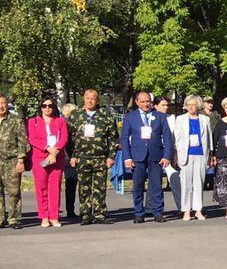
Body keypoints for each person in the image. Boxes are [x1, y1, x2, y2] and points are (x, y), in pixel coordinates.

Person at [119, 90, 175, 224]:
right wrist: (127, 158)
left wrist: (167, 156)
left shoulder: (160, 116)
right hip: (137, 156)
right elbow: (125, 138)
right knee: (138, 185)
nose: (146, 104)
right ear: (137, 102)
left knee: (156, 185)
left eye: (148, 101)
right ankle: (139, 212)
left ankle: (158, 212)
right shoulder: (130, 117)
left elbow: (167, 137)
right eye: (143, 102)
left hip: (156, 155)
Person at [67, 89, 117, 224]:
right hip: (82, 157)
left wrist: (111, 156)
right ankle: (85, 214)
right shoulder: (75, 115)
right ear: (83, 99)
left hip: (100, 157)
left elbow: (113, 137)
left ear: (97, 100)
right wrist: (72, 156)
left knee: (100, 187)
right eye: (87, 98)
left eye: (93, 98)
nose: (90, 101)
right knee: (84, 187)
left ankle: (99, 214)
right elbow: (70, 138)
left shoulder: (106, 115)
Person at [27, 96, 69, 227]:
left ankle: (54, 216)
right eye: (44, 106)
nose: (47, 108)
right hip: (40, 158)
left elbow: (64, 138)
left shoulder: (60, 121)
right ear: (40, 108)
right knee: (41, 188)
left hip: (57, 158)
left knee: (55, 187)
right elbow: (33, 139)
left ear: (54, 107)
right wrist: (48, 148)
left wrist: (55, 151)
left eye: (50, 105)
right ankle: (44, 216)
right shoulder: (33, 121)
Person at [170, 95, 212, 220]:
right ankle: (186, 210)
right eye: (189, 105)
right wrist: (175, 155)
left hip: (200, 153)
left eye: (194, 105)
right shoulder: (180, 119)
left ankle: (198, 210)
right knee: (186, 183)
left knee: (199, 183)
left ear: (198, 106)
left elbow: (209, 138)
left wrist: (211, 155)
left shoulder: (205, 119)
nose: (191, 107)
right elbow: (176, 139)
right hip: (186, 154)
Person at [0, 94, 27, 228]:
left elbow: (22, 141)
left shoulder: (15, 120)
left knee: (14, 191)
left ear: (7, 104)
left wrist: (21, 160)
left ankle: (14, 219)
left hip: (11, 160)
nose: (1, 106)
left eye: (3, 103)